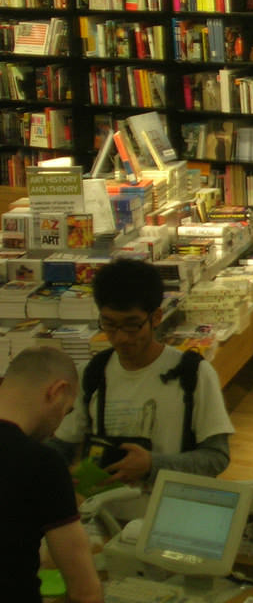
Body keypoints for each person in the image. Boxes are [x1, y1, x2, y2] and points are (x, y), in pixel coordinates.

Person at [50, 258, 234, 487]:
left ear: (156, 317)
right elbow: (63, 447)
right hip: (103, 515)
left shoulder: (194, 374)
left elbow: (216, 458)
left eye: (132, 325)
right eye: (109, 324)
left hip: (167, 514)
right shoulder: (91, 373)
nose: (121, 337)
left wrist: (152, 465)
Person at [0, 346, 103, 603]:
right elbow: (85, 591)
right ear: (56, 392)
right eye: (66, 411)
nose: (57, 431)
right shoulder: (41, 463)